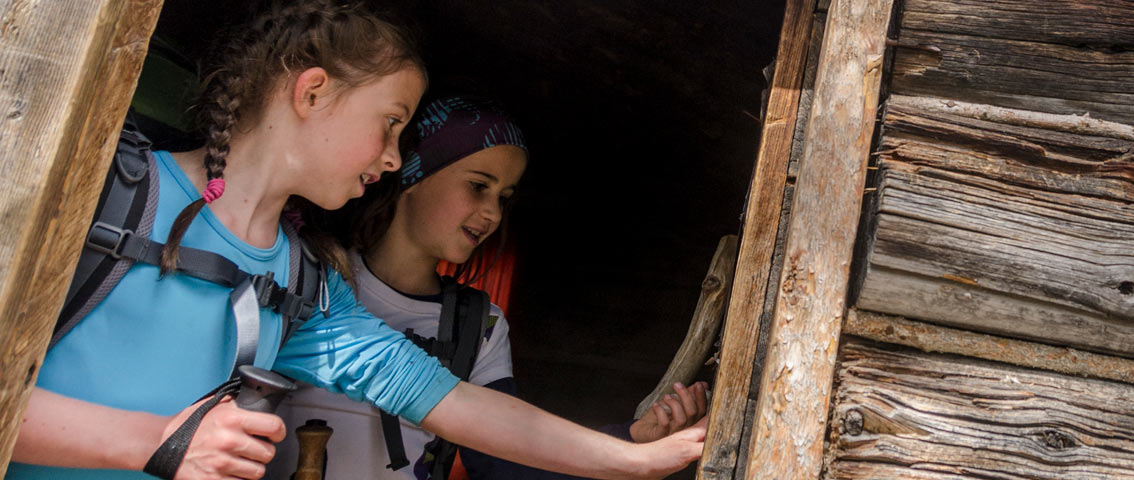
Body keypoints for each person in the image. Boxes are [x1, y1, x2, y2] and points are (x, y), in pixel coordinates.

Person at [9, 2, 703, 479]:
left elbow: (457, 405)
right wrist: (157, 442)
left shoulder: (305, 288)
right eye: (392, 122)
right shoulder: (109, 189)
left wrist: (636, 460)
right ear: (311, 94)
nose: (397, 159)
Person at [264, 96, 710, 479]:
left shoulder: (479, 326)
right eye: (479, 186)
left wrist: (631, 441)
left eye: (504, 197)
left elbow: (506, 462)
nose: (493, 214)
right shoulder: (312, 277)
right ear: (410, 176)